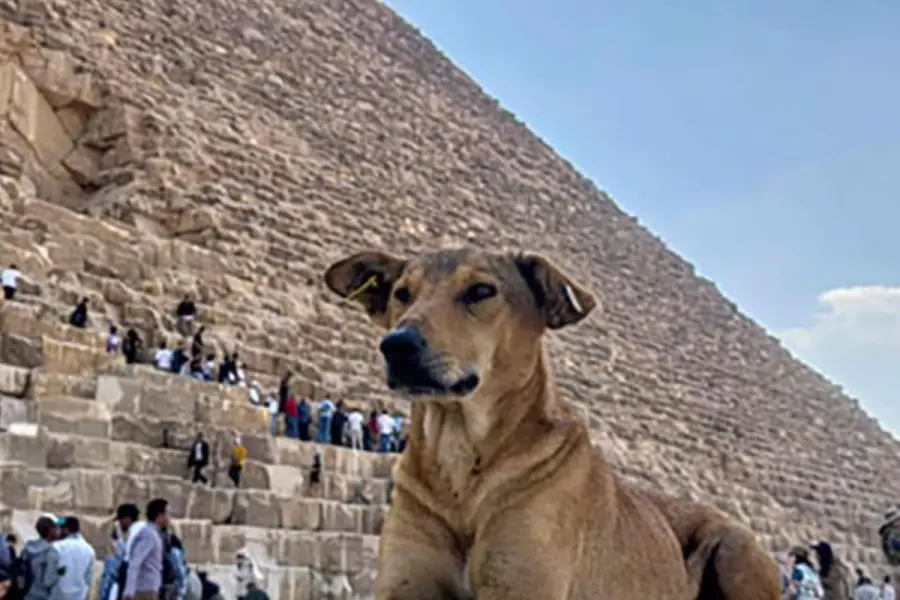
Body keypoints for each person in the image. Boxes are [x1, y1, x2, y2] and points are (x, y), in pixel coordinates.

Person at [123, 498, 169, 600]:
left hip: (149, 588)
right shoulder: (149, 535)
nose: (168, 518)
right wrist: (129, 590)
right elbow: (135, 561)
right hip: (145, 590)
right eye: (167, 514)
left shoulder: (152, 533)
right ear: (160, 516)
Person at [18, 516, 61, 600]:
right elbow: (48, 582)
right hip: (40, 596)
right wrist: (58, 573)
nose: (58, 531)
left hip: (25, 594)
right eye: (56, 529)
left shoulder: (28, 547)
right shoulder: (51, 553)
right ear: (50, 530)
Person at [53, 516, 95, 600]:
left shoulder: (57, 546)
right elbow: (88, 581)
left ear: (66, 530)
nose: (57, 532)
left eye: (59, 529)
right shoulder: (89, 550)